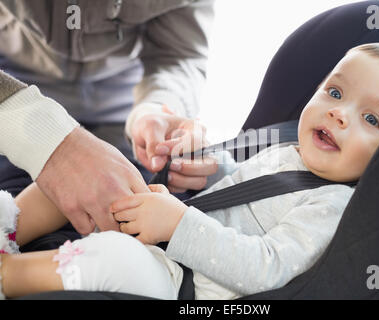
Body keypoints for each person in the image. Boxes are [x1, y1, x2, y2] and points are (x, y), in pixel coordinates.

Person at [0, 42, 379, 300]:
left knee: (113, 259)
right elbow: (243, 191)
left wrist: (178, 224)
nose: (340, 114)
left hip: (186, 285)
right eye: (335, 92)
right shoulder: (289, 151)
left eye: (372, 119)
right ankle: (8, 226)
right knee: (89, 173)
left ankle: (8, 275)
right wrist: (211, 171)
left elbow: (264, 266)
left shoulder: (333, 203)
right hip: (172, 234)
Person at [0, 0, 218, 235]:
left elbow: (178, 54)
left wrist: (155, 109)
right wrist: (47, 140)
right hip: (13, 91)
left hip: (123, 112)